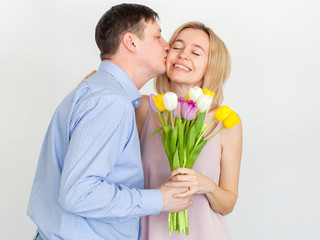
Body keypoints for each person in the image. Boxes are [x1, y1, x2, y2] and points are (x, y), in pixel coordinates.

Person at [27, 4, 192, 240]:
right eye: (157, 36)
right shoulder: (110, 102)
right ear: (131, 42)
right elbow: (79, 193)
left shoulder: (98, 92)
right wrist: (160, 199)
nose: (167, 45)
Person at [135, 22, 243, 239]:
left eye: (195, 52)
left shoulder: (227, 123)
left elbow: (227, 204)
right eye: (177, 47)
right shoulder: (144, 108)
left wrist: (207, 186)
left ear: (211, 66)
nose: (183, 55)